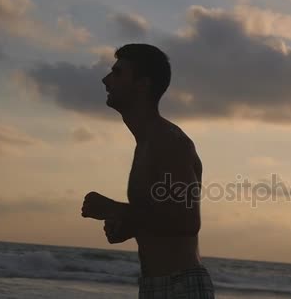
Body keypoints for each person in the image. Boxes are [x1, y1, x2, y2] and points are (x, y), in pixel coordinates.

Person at [81, 44, 214, 298]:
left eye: (117, 73)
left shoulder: (168, 141)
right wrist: (129, 226)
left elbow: (186, 221)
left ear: (142, 84)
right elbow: (163, 218)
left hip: (178, 287)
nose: (106, 80)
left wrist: (114, 209)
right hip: (158, 286)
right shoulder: (147, 142)